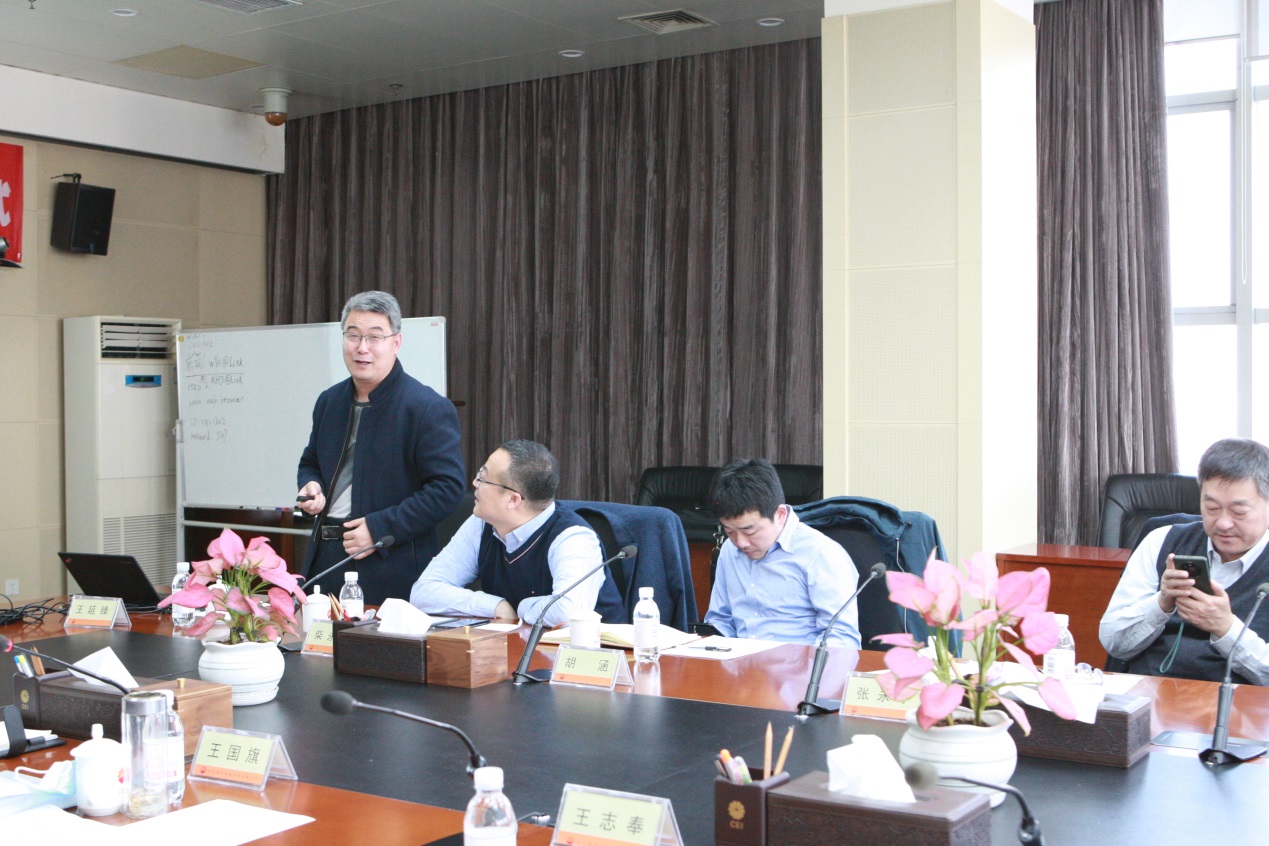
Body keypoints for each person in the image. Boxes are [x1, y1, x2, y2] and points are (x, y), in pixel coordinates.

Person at [296, 291, 465, 605]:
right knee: (314, 636)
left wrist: (379, 528)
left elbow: (447, 489)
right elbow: (310, 462)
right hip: (325, 558)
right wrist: (311, 485)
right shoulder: (329, 401)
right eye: (353, 335)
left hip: (390, 563)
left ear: (396, 342)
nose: (362, 348)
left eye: (374, 337)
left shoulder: (426, 408)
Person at [1100, 438, 1269, 684]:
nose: (1223, 523)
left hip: (1236, 704)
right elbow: (1113, 642)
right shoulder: (1162, 540)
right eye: (1211, 508)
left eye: (1238, 512)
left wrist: (1226, 628)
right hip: (1148, 697)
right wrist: (1161, 604)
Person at [410, 439, 625, 625]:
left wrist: (518, 608)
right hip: (513, 650)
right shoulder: (481, 523)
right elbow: (423, 592)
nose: (474, 483)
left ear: (513, 499)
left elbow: (568, 613)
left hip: (589, 656)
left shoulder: (573, 538)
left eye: (483, 478)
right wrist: (495, 606)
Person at [703, 459, 860, 646]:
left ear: (780, 515)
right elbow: (720, 621)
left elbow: (841, 639)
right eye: (730, 531)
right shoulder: (729, 549)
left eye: (750, 531)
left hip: (800, 662)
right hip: (740, 661)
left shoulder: (821, 554)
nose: (741, 543)